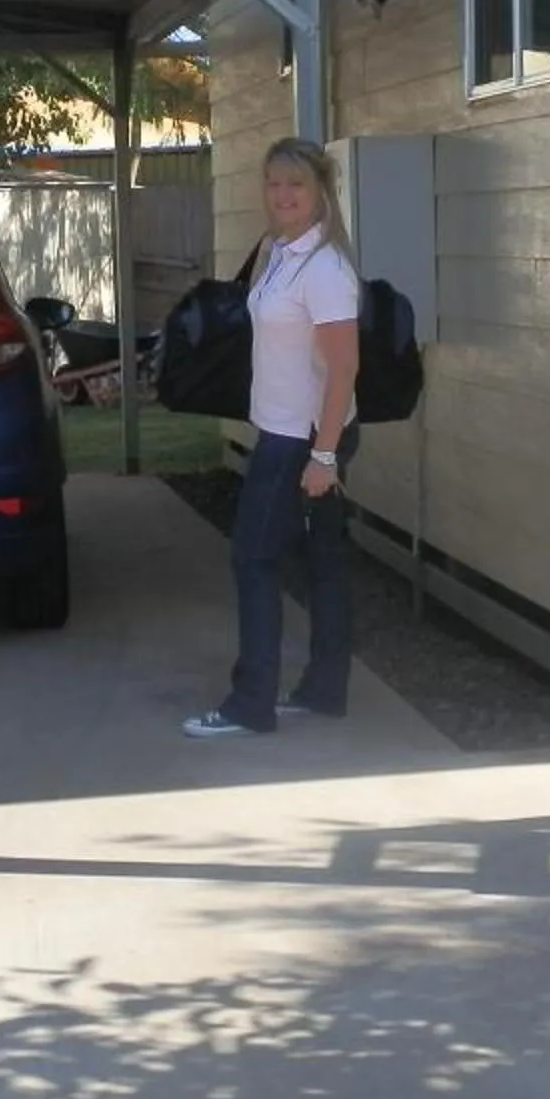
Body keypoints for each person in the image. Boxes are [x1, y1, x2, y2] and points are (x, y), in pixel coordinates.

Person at [183, 139, 362, 738]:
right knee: (322, 562)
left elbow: (343, 370)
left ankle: (250, 702)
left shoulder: (327, 270)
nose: (283, 196)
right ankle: (323, 690)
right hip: (289, 430)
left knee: (253, 558)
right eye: (274, 185)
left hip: (303, 439)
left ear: (320, 194)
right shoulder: (281, 253)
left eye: (297, 186)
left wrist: (324, 455)